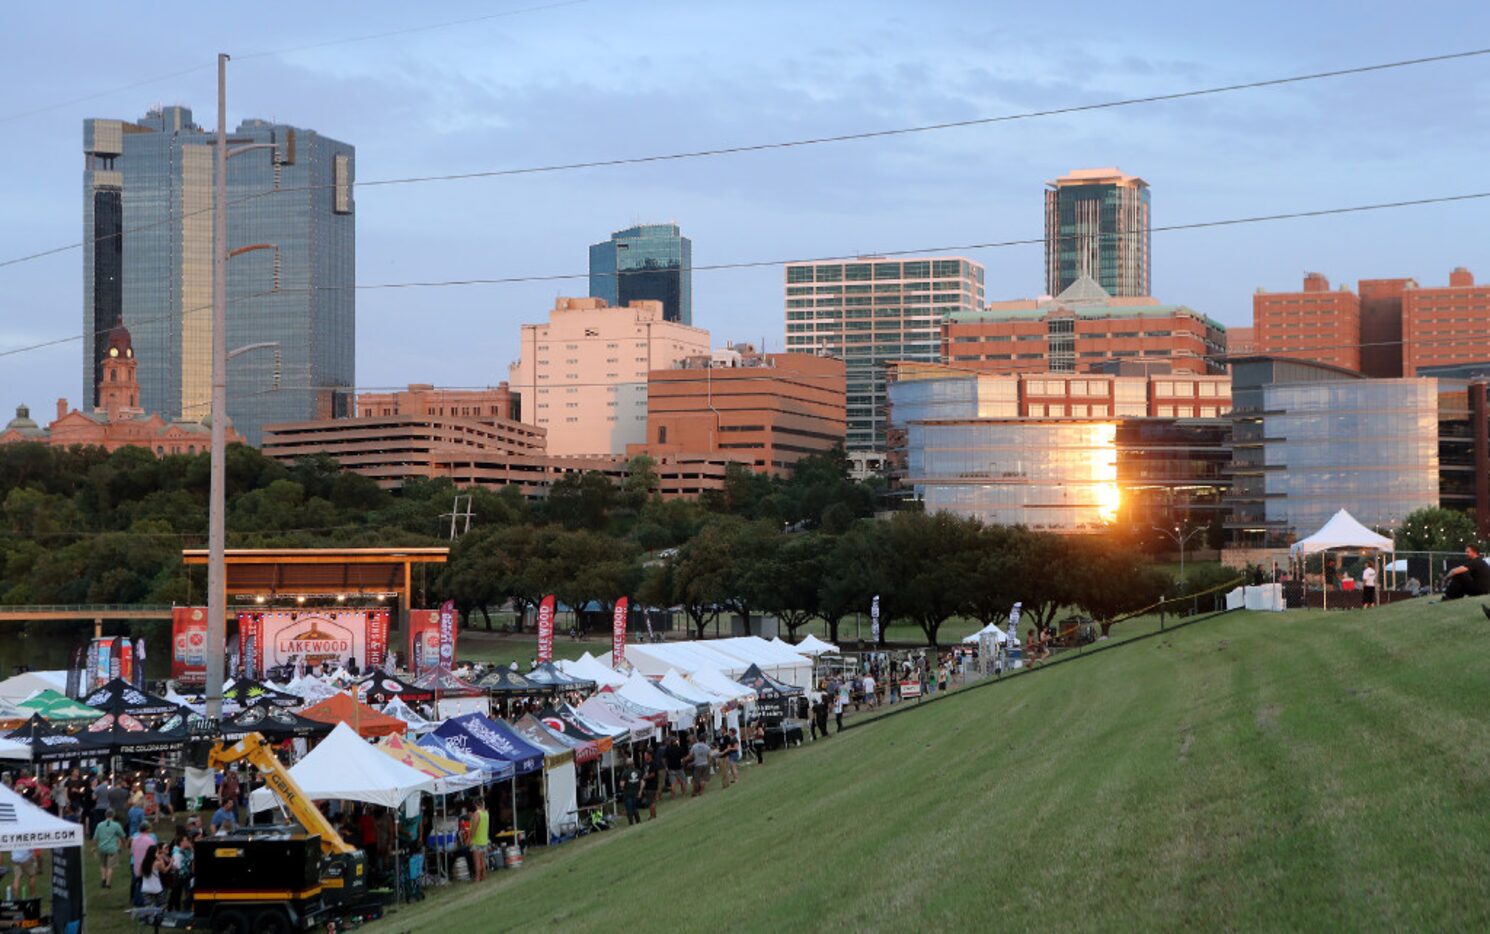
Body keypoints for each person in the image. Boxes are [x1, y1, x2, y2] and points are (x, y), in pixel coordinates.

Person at [92, 807, 125, 889]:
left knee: (103, 865)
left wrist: (94, 847)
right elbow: (122, 836)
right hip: (112, 849)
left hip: (102, 848)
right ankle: (108, 883)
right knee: (110, 866)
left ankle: (103, 879)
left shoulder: (99, 825)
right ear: (113, 815)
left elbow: (95, 838)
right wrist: (124, 845)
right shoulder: (116, 825)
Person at [130, 822, 156, 907]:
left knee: (138, 882)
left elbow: (132, 852)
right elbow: (153, 853)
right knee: (144, 884)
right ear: (148, 829)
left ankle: (136, 900)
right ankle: (142, 901)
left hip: (136, 864)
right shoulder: (150, 840)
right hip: (146, 864)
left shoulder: (134, 839)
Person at [167, 831, 194, 911]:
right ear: (181, 842)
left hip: (186, 876)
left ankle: (184, 907)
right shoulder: (177, 853)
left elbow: (193, 858)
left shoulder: (187, 851)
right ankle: (173, 909)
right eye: (186, 840)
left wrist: (191, 849)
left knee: (187, 893)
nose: (188, 842)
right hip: (178, 877)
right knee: (176, 894)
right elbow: (176, 866)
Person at [467, 800, 489, 881]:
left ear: (476, 804)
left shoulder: (477, 814)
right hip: (484, 840)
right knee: (482, 860)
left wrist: (470, 838)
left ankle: (477, 878)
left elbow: (474, 828)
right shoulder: (486, 813)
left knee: (477, 861)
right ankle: (484, 876)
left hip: (477, 840)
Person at [620, 760, 643, 826]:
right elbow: (642, 782)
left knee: (629, 809)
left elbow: (622, 784)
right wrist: (640, 791)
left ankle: (631, 823)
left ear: (627, 765)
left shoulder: (625, 773)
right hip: (636, 792)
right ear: (633, 764)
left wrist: (622, 788)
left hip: (627, 793)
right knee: (635, 807)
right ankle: (638, 821)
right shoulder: (638, 772)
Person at [641, 748, 661, 821]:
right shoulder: (645, 764)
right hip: (647, 785)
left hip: (652, 784)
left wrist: (645, 777)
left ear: (650, 755)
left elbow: (653, 774)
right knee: (649, 801)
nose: (644, 756)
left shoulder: (653, 763)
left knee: (651, 801)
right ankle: (652, 814)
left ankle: (653, 815)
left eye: (646, 755)